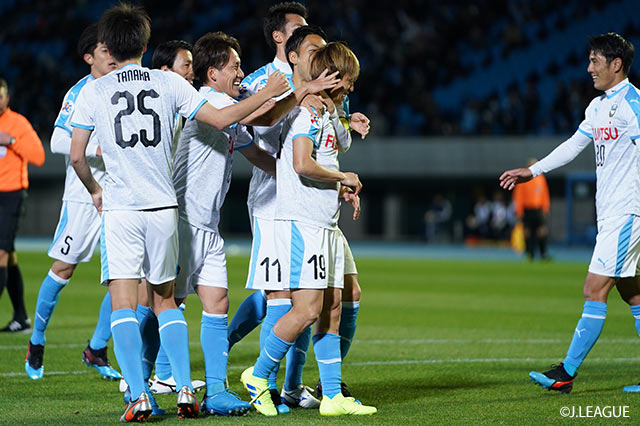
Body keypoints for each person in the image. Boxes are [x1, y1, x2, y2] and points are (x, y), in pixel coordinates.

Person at [69, 3, 290, 422]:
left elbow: (77, 155)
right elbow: (224, 117)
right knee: (167, 301)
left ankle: (143, 392)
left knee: (132, 304)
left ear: (108, 47)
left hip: (125, 207)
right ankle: (182, 387)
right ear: (144, 44)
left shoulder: (93, 91)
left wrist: (96, 190)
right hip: (170, 209)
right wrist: (278, 92)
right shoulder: (170, 83)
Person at [240, 41, 376, 417]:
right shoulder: (307, 111)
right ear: (332, 76)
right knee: (306, 310)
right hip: (304, 222)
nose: (351, 86)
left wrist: (339, 188)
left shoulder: (328, 111)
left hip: (324, 221)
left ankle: (332, 396)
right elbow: (301, 163)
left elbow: (327, 157)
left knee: (332, 306)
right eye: (348, 79)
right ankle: (259, 375)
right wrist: (342, 177)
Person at [499, 32, 640, 394]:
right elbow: (574, 145)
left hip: (628, 213)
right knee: (633, 293)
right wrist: (533, 171)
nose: (588, 68)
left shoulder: (634, 104)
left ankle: (566, 372)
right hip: (611, 214)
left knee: (594, 289)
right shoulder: (597, 107)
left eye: (595, 61)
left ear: (616, 64)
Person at [24, 24, 122, 382]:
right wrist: (98, 149)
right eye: (104, 50)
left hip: (120, 195)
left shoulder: (123, 86)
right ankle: (36, 340)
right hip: (83, 195)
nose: (112, 55)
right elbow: (57, 141)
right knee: (64, 268)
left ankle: (97, 348)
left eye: (113, 49)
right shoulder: (80, 91)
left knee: (126, 276)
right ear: (88, 57)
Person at [0, 77, 45, 333]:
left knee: (1, 253)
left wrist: (12, 141)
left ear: (7, 98)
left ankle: (20, 317)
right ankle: (21, 318)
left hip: (11, 195)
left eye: (0, 96)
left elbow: (38, 157)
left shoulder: (17, 124)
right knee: (9, 256)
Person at [512, 158, 550, 260]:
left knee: (542, 230)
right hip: (527, 209)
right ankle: (530, 253)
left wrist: (545, 207)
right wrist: (519, 210)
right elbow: (518, 196)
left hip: (538, 209)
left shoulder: (541, 178)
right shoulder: (524, 178)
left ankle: (543, 253)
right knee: (527, 232)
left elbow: (544, 194)